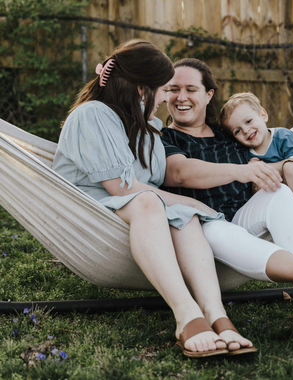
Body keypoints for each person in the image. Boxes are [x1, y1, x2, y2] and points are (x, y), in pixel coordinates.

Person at [52, 40, 257, 358]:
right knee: (159, 202)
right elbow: (123, 189)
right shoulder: (94, 115)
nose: (167, 97)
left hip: (138, 212)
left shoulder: (147, 128)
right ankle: (187, 316)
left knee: (181, 214)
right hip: (90, 212)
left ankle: (218, 317)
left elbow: (164, 179)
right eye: (164, 89)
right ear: (140, 89)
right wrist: (194, 203)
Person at [161, 57, 293, 331]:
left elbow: (280, 135)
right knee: (218, 230)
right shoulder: (164, 138)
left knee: (278, 193)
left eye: (191, 89)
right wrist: (240, 171)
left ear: (208, 95)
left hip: (244, 214)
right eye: (173, 89)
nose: (181, 97)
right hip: (201, 226)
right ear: (164, 94)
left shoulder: (228, 132)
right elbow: (180, 172)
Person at [220, 92, 293, 199]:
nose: (246, 130)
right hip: (276, 201)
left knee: (290, 166)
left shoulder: (283, 136)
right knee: (259, 183)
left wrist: (259, 169)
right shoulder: (244, 153)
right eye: (237, 131)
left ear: (263, 116)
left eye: (248, 121)